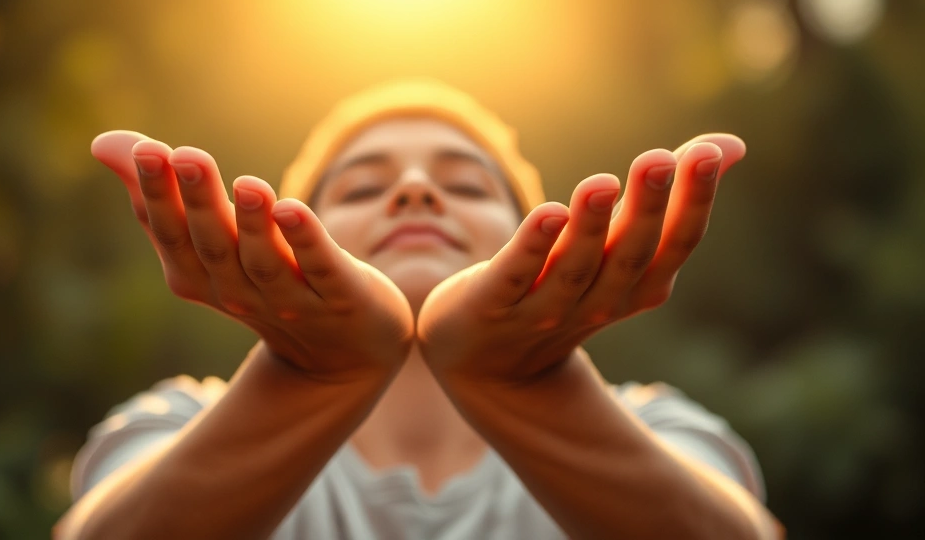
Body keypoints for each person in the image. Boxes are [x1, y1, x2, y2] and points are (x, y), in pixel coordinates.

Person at [56, 79, 783, 539]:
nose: (414, 189)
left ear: (539, 237)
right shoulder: (179, 422)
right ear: (282, 237)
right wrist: (311, 379)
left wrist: (528, 389)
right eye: (362, 187)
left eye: (465, 185)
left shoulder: (655, 428)